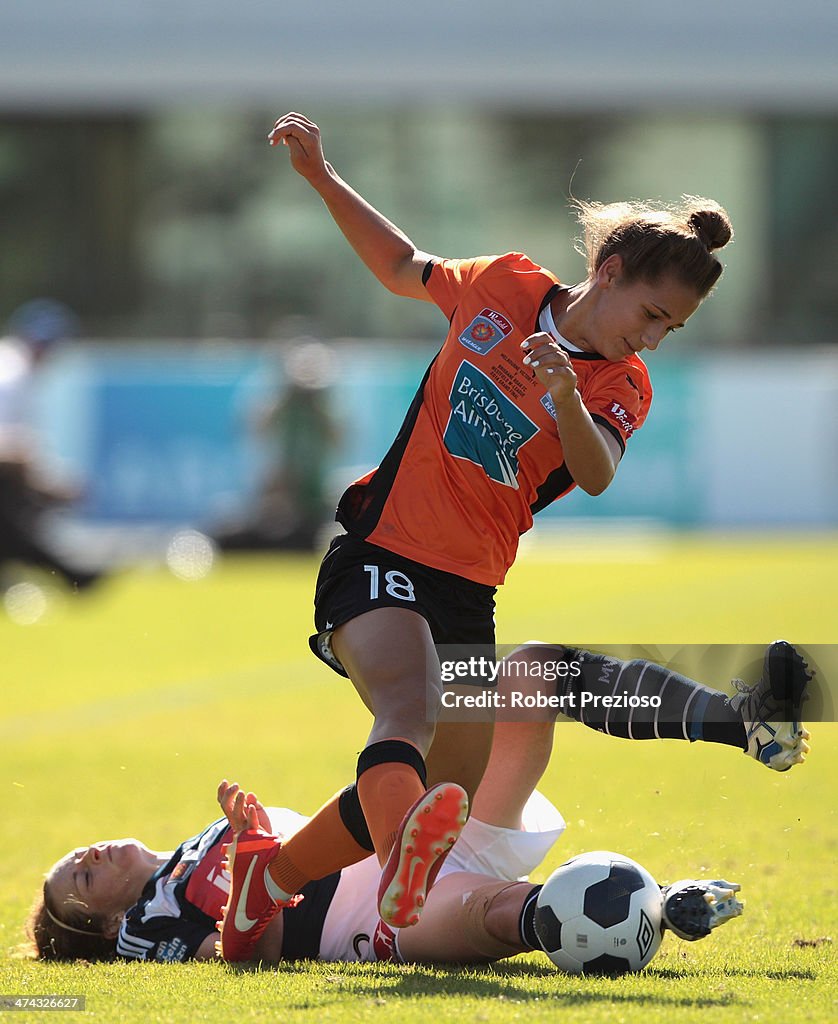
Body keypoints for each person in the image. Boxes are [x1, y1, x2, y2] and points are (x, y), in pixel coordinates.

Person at [234, 111, 807, 939]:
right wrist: (323, 178)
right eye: (649, 314)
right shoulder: (501, 284)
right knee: (406, 706)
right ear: (607, 273)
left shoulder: (622, 387)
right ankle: (405, 869)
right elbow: (401, 266)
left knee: (445, 790)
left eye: (668, 330)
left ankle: (270, 877)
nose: (651, 337)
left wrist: (568, 397)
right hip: (381, 552)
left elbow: (598, 472)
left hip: (470, 590)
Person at [27, 776, 743, 965]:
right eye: (82, 879)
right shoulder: (145, 927)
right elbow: (241, 954)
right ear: (110, 924)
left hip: (407, 838)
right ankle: (664, 902)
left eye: (80, 854)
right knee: (507, 917)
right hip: (374, 919)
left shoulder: (187, 845)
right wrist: (253, 871)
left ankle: (726, 718)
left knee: (524, 678)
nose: (90, 856)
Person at [0, 299, 99, 592]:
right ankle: (72, 576)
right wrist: (49, 482)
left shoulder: (14, 365)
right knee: (15, 515)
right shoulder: (12, 371)